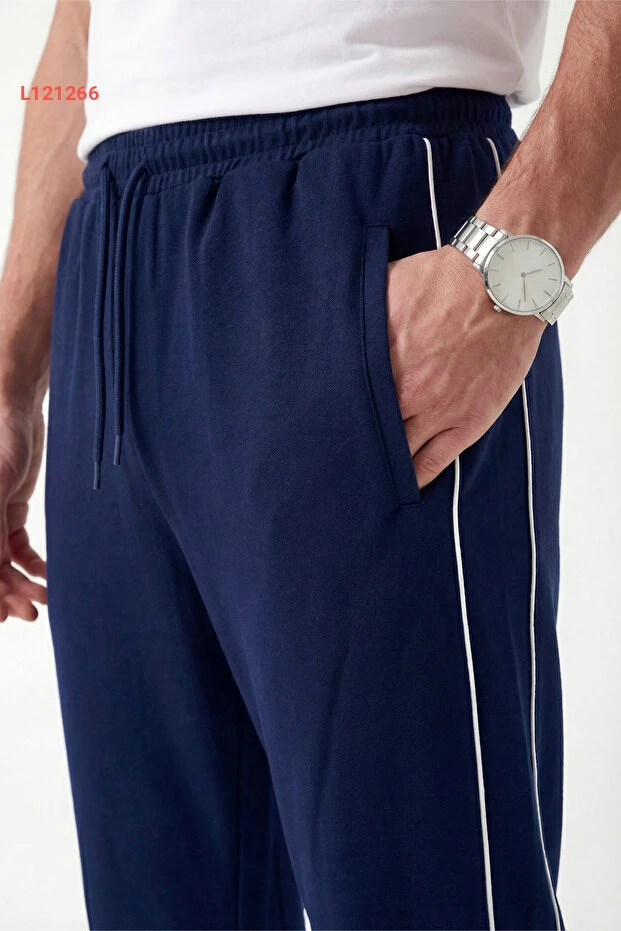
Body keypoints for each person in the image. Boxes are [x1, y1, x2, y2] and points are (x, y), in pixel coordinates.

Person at [1, 1, 620, 928]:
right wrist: (10, 374)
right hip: (109, 266)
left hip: (363, 199)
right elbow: (77, 29)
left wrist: (512, 270)